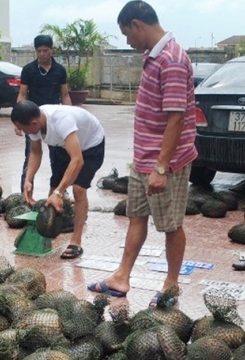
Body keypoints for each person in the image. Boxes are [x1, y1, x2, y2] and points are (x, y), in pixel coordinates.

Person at [87, 1, 197, 307]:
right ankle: (121, 277)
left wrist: (161, 168)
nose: (127, 41)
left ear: (137, 25)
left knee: (170, 224)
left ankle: (171, 287)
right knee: (136, 216)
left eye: (126, 34)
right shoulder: (152, 55)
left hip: (166, 163)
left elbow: (176, 117)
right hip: (144, 158)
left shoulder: (172, 59)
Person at [11, 100, 105, 259]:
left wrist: (59, 192)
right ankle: (54, 229)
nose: (23, 133)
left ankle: (76, 242)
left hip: (90, 146)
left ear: (33, 123)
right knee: (52, 192)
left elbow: (77, 160)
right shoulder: (35, 121)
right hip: (62, 145)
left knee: (78, 189)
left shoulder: (61, 121)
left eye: (23, 129)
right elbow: (35, 153)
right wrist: (28, 180)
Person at [16, 34, 72, 193]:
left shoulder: (60, 70)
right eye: (39, 51)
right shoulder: (28, 70)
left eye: (45, 50)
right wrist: (19, 120)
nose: (42, 54)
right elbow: (22, 94)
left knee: (59, 158)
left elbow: (65, 95)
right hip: (32, 120)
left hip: (54, 121)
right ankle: (25, 193)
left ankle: (59, 192)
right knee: (31, 156)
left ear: (51, 50)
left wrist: (70, 114)